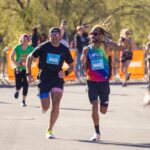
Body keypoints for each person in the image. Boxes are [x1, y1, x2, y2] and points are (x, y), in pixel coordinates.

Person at [26, 27, 74, 139]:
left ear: (60, 36)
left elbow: (72, 65)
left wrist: (65, 73)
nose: (54, 36)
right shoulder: (43, 47)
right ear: (49, 36)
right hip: (44, 78)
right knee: (45, 107)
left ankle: (49, 129)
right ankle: (43, 99)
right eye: (52, 34)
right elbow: (29, 58)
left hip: (57, 78)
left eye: (57, 34)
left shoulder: (64, 49)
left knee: (56, 104)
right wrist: (29, 74)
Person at [81, 25, 125, 141]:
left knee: (103, 111)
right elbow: (84, 69)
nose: (92, 36)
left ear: (101, 36)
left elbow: (121, 48)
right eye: (91, 34)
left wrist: (123, 39)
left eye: (95, 34)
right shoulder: (86, 50)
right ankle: (97, 133)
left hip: (104, 82)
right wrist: (83, 62)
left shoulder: (107, 46)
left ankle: (103, 105)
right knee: (94, 105)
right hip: (91, 82)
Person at [10, 34, 34, 107]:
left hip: (27, 69)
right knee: (18, 84)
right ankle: (17, 90)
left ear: (28, 40)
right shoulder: (17, 47)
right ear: (21, 39)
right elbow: (11, 56)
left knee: (26, 85)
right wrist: (16, 63)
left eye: (26, 39)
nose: (24, 40)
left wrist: (32, 60)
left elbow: (35, 57)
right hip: (18, 68)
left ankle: (23, 101)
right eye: (23, 39)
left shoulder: (31, 48)